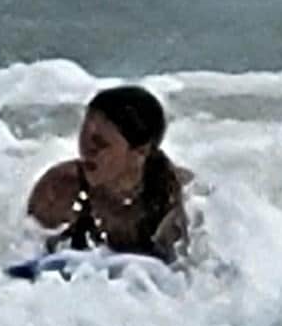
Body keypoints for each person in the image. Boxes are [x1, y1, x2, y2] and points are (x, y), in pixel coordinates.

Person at [26, 85, 189, 265]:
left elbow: (191, 271)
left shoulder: (176, 195)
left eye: (101, 143)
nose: (86, 151)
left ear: (140, 152)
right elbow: (25, 254)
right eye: (84, 137)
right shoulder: (60, 189)